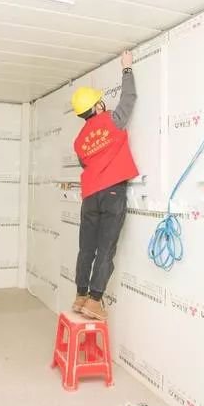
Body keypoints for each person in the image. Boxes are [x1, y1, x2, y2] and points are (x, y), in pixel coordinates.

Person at [70, 50, 139, 320]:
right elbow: (129, 98)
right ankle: (95, 301)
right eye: (101, 101)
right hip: (112, 192)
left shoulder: (79, 142)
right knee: (106, 248)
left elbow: (85, 165)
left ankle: (80, 296)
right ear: (98, 107)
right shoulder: (112, 120)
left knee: (87, 248)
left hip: (90, 197)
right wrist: (127, 68)